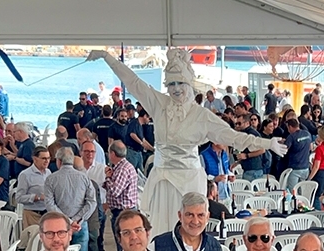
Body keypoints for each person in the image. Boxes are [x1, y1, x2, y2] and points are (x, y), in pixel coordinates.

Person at [87, 49, 284, 227]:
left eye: (180, 83)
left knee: (189, 227)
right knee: (161, 230)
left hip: (189, 180)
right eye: (171, 84)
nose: (176, 89)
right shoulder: (159, 104)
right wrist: (108, 57)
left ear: (189, 83)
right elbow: (133, 82)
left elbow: (234, 137)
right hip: (163, 179)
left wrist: (267, 143)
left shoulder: (202, 115)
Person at [42, 146, 97, 251]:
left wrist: (68, 221)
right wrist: (77, 220)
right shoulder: (84, 178)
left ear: (59, 161)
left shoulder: (51, 179)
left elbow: (49, 204)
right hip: (80, 225)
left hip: (58, 227)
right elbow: (92, 202)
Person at [15, 146, 51, 228]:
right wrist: (37, 197)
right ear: (35, 159)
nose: (47, 161)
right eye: (44, 158)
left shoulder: (48, 172)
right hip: (31, 215)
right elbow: (19, 197)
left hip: (46, 214)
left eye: (48, 158)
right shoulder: (25, 175)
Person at [282, 118, 313, 190]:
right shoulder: (307, 134)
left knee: (293, 192)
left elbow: (285, 149)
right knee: (302, 192)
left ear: (290, 127)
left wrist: (283, 142)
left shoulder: (291, 136)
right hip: (305, 168)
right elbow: (311, 147)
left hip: (295, 169)